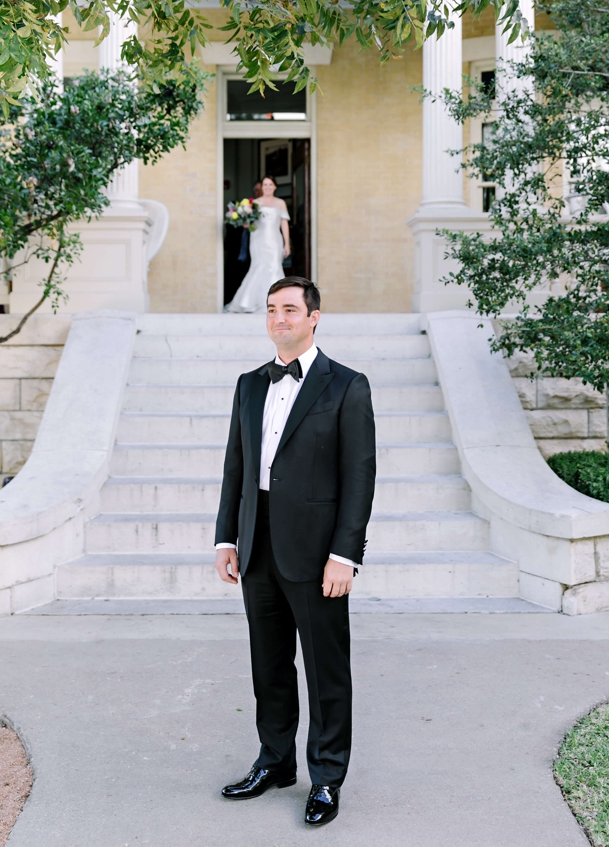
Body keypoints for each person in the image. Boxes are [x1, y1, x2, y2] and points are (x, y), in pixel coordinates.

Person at [214, 277, 376, 828]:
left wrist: (344, 554)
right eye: (271, 310)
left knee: (326, 670)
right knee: (269, 667)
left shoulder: (348, 387)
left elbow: (359, 478)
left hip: (317, 554)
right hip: (258, 546)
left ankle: (326, 777)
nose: (279, 318)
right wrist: (226, 537)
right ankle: (275, 762)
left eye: (290, 309)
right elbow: (236, 467)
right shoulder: (248, 384)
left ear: (314, 318)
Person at [226, 177, 292, 314]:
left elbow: (284, 223)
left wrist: (287, 243)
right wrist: (244, 222)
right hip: (258, 241)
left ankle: (275, 303)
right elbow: (249, 223)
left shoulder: (280, 203)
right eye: (265, 185)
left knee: (274, 267)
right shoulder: (254, 203)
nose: (267, 187)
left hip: (274, 240)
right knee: (258, 267)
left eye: (270, 184)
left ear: (275, 186)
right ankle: (249, 302)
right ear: (262, 187)